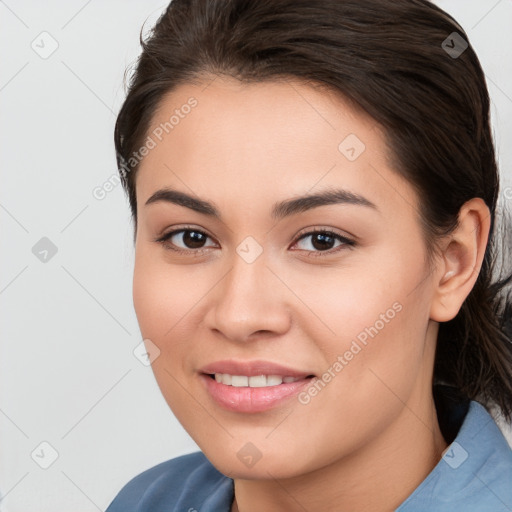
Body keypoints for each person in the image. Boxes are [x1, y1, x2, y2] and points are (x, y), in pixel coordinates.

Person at [105, 0, 512, 510]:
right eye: (191, 237)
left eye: (322, 240)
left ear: (454, 261)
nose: (240, 315)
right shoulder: (149, 501)